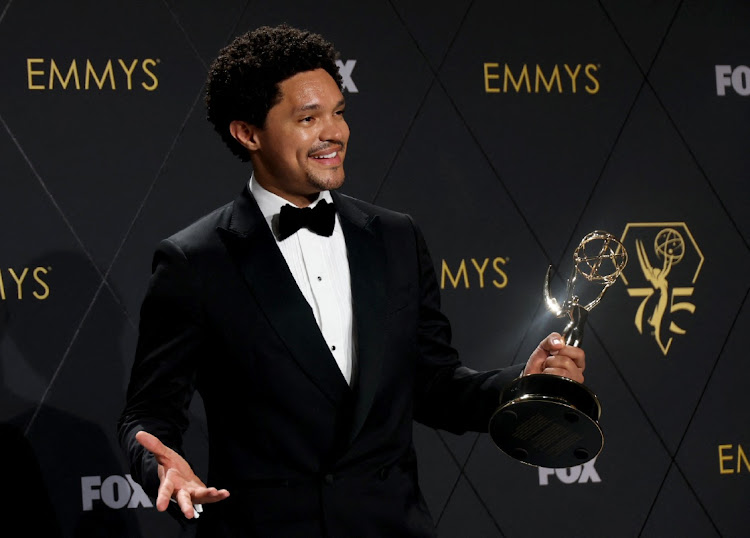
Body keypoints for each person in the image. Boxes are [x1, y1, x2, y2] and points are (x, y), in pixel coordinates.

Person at [117, 24, 585, 537]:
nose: (334, 133)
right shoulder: (195, 260)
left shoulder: (395, 236)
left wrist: (520, 386)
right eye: (308, 118)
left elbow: (431, 384)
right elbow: (149, 413)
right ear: (249, 133)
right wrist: (164, 467)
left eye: (338, 112)